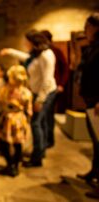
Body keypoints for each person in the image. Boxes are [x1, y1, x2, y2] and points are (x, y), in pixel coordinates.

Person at [0, 30, 57, 167]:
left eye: (26, 41)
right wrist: (9, 51)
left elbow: (47, 80)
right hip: (38, 92)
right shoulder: (37, 55)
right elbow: (26, 58)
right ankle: (40, 151)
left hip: (45, 93)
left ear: (33, 42)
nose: (25, 43)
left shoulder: (46, 55)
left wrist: (39, 100)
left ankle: (37, 158)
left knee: (36, 124)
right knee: (40, 123)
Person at [76, 12, 99, 199]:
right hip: (91, 99)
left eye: (88, 26)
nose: (85, 30)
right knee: (96, 141)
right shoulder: (92, 47)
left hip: (97, 101)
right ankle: (94, 172)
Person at [0, 65, 33, 177]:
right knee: (5, 143)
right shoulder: (7, 90)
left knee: (16, 144)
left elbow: (28, 109)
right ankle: (11, 164)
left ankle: (14, 165)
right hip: (10, 119)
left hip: (15, 119)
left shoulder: (23, 92)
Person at [41, 30, 70, 148]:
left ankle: (49, 140)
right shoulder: (42, 52)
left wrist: (61, 84)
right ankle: (45, 139)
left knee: (48, 115)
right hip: (45, 87)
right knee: (44, 115)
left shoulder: (55, 51)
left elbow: (65, 68)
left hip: (53, 87)